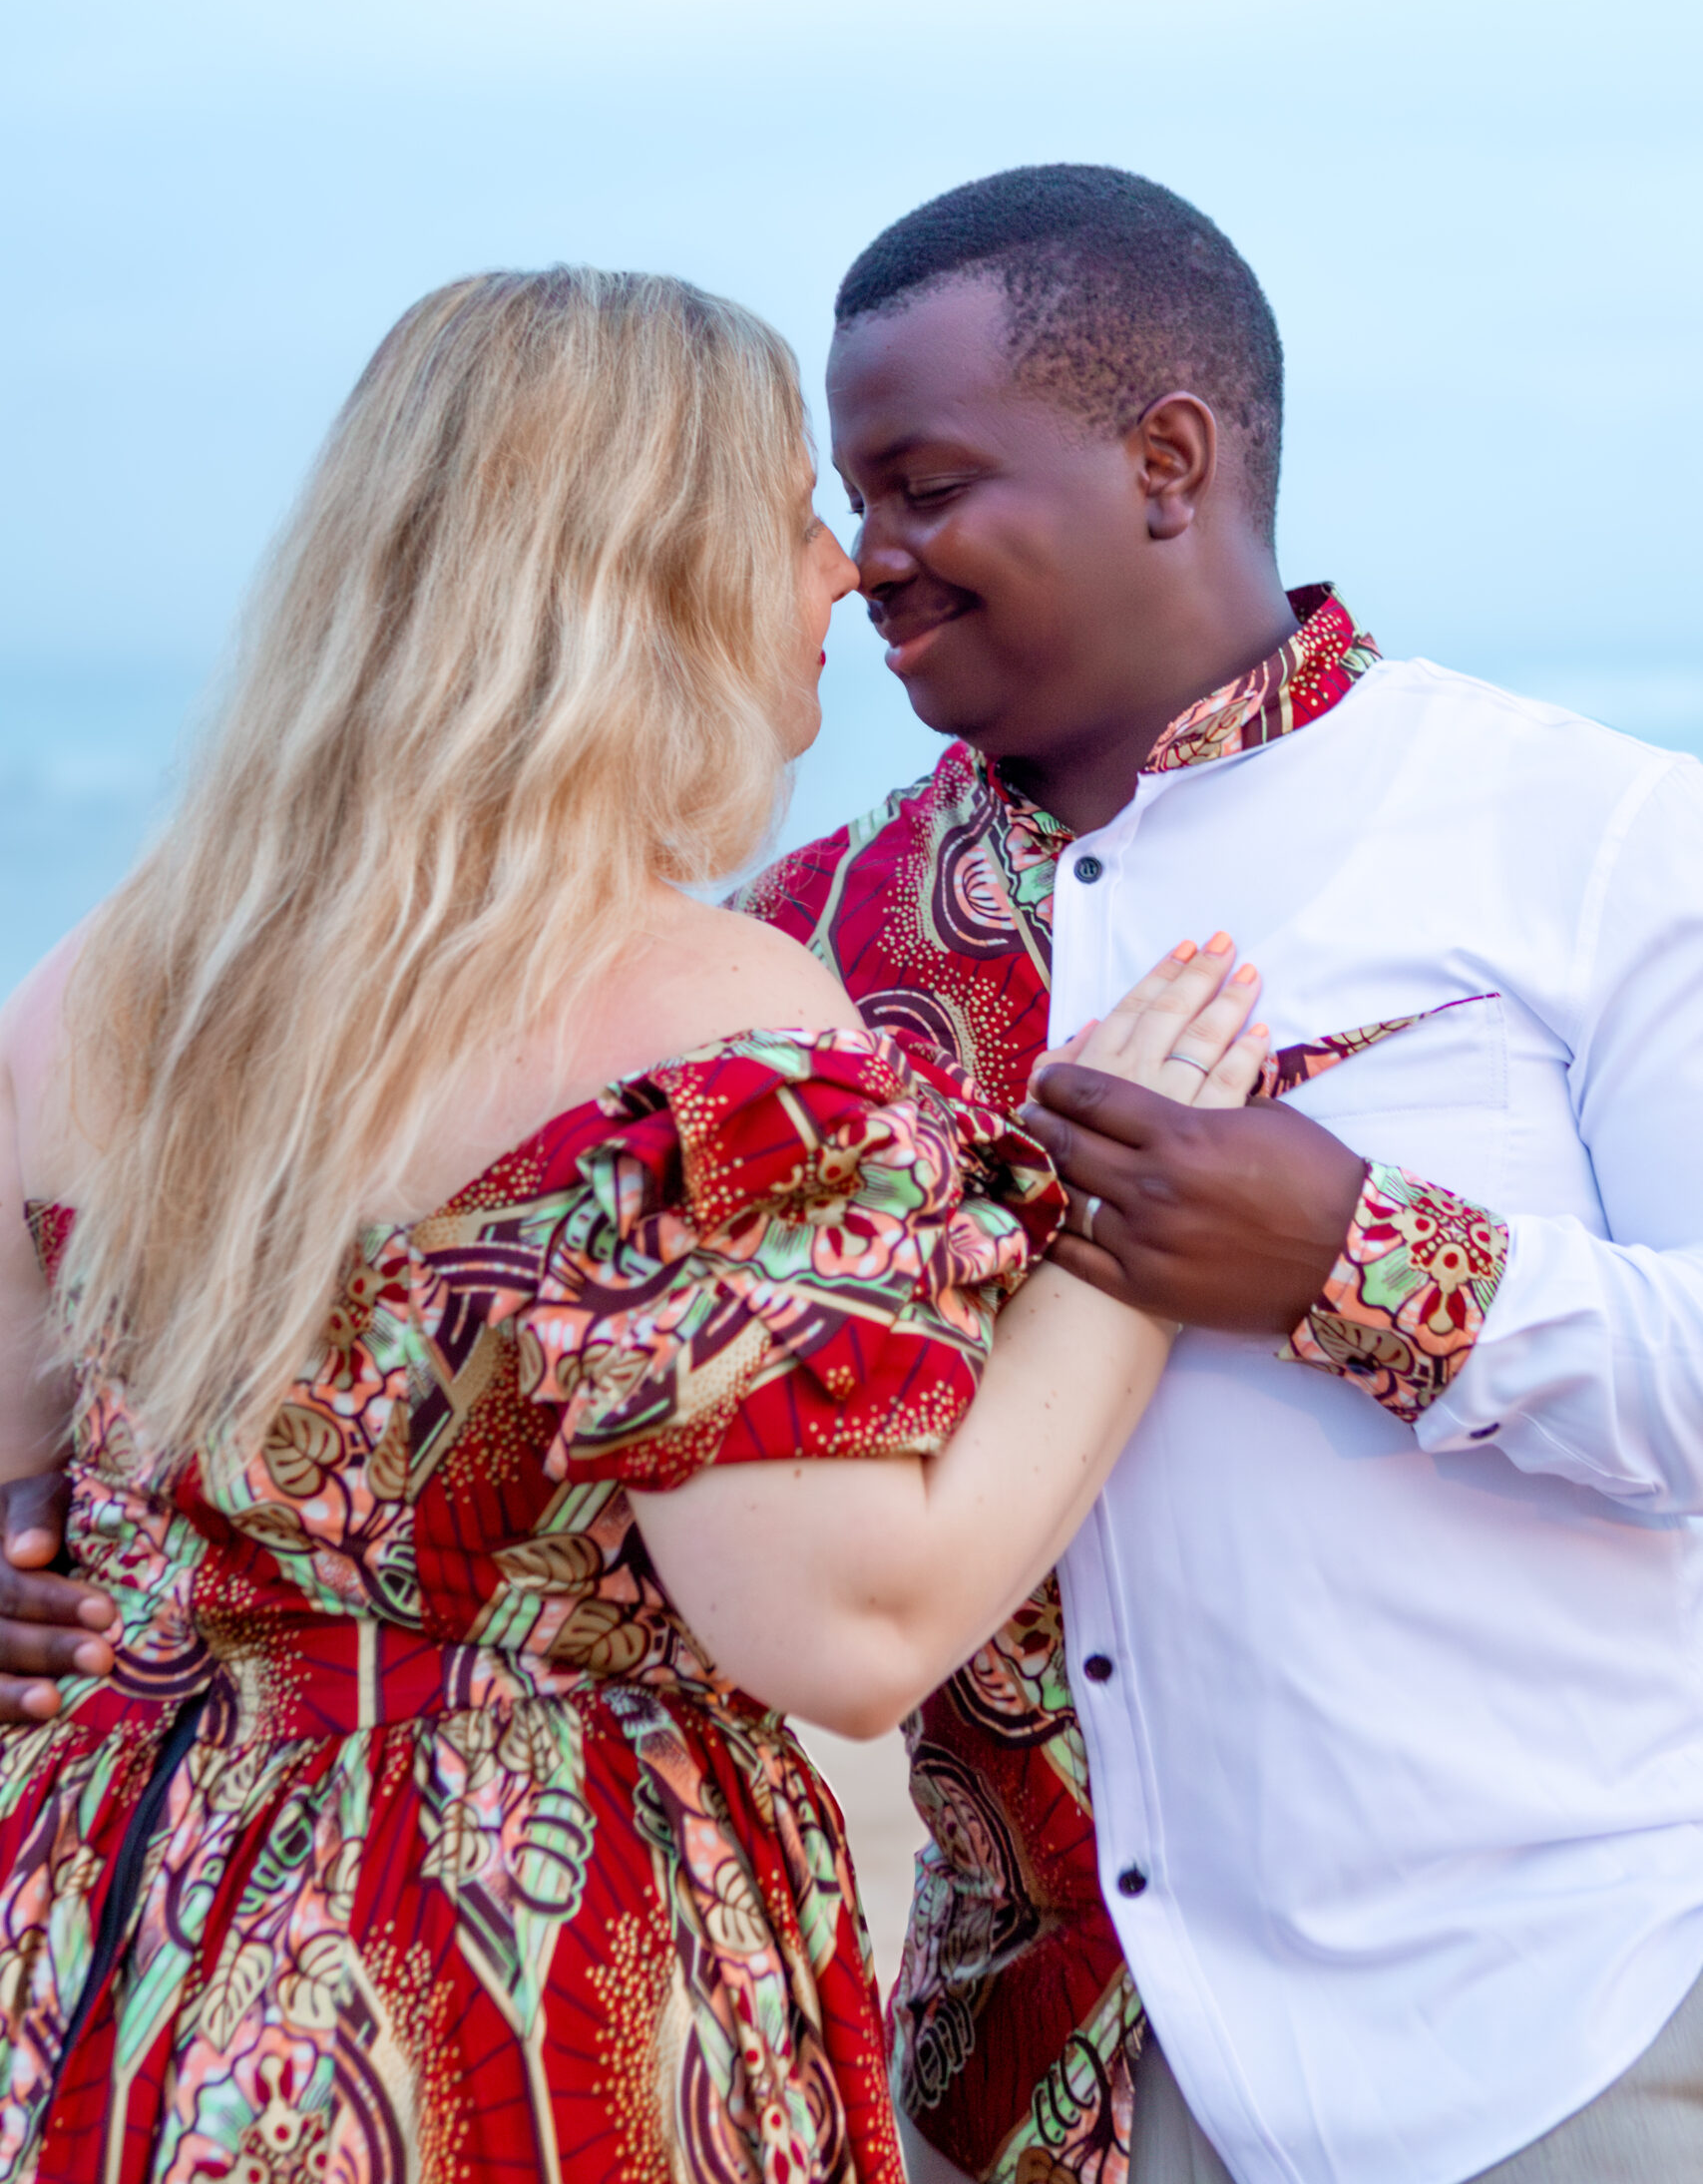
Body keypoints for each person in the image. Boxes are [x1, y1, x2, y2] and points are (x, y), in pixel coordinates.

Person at [0, 263, 1266, 2182]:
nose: (842, 570)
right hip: (515, 1954)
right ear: (653, 577)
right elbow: (850, 1624)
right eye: (791, 513)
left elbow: (30, 1486)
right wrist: (1127, 1229)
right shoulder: (704, 1014)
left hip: (116, 1924)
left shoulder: (92, 983)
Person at [726, 167, 1703, 2184]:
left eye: (924, 486)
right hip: (1026, 2086)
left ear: (1166, 461)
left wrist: (1356, 1256)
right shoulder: (794, 950)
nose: (866, 560)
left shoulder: (1591, 838)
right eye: (854, 498)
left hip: (1553, 2042)